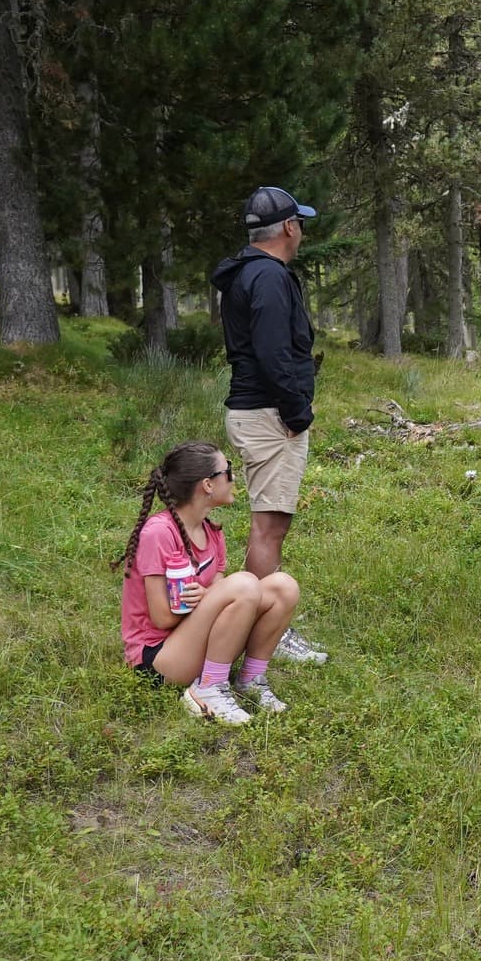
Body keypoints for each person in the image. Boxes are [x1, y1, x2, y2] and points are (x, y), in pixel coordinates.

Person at [214, 185, 327, 665]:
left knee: (269, 523)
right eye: (299, 222)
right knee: (269, 527)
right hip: (269, 416)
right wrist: (296, 410)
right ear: (287, 227)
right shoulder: (268, 278)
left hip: (259, 411)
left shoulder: (251, 274)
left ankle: (260, 623)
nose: (301, 231)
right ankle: (267, 633)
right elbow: (273, 351)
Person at [116, 441, 304, 726]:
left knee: (283, 587)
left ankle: (250, 680)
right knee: (244, 584)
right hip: (158, 659)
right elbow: (161, 617)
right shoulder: (158, 533)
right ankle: (208, 688)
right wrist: (208, 599)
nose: (233, 477)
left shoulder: (212, 532)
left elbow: (220, 594)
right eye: (227, 470)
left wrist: (208, 596)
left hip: (193, 638)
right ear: (207, 484)